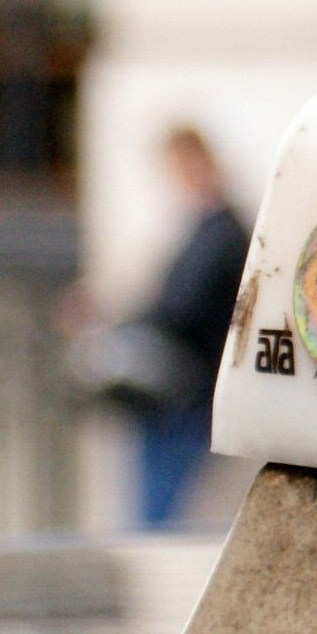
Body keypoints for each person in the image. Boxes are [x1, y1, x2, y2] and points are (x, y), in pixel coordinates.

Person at [129, 126, 251, 526]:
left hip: (187, 392)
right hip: (186, 391)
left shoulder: (219, 233)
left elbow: (180, 307)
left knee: (157, 512)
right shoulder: (208, 229)